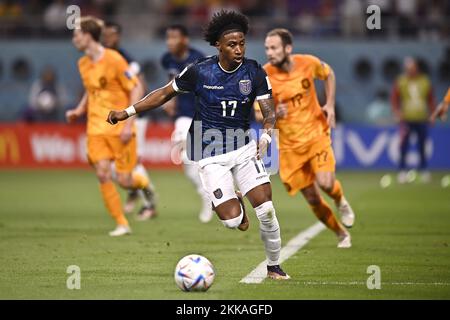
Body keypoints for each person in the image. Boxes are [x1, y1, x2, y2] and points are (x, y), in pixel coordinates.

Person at [108, 10, 290, 280]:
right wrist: (127, 112)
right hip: (209, 154)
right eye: (231, 44)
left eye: (242, 43)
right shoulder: (199, 71)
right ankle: (234, 204)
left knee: (265, 209)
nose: (238, 49)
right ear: (218, 45)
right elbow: (163, 93)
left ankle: (274, 266)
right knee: (232, 223)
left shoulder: (254, 71)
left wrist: (266, 135)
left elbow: (269, 111)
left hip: (243, 149)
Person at [261, 28, 353, 248]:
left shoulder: (308, 63)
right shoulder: (265, 75)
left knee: (326, 183)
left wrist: (329, 105)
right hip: (289, 148)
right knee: (312, 198)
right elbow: (258, 111)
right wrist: (272, 113)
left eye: (274, 48)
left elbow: (328, 74)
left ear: (287, 48)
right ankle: (341, 234)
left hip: (315, 136)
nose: (269, 52)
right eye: (267, 48)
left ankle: (340, 200)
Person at [66, 16, 154, 236]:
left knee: (125, 180)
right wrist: (79, 109)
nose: (74, 39)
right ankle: (122, 223)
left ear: (88, 36)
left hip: (119, 127)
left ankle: (144, 186)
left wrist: (128, 123)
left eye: (77, 34)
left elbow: (136, 88)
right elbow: (91, 90)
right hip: (95, 129)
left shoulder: (114, 59)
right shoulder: (83, 63)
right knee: (103, 174)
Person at [102, 21, 157, 220]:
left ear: (118, 37)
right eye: (105, 35)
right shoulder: (103, 60)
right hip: (115, 118)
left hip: (133, 117)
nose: (107, 39)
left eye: (111, 35)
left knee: (134, 162)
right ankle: (136, 191)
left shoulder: (127, 61)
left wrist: (130, 117)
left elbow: (140, 87)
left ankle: (150, 203)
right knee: (119, 167)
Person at [160, 24, 213, 223]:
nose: (170, 42)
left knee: (202, 161)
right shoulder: (167, 59)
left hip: (201, 115)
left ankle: (213, 195)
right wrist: (170, 101)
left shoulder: (199, 59)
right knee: (185, 157)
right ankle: (205, 195)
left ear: (185, 40)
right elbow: (171, 81)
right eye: (168, 37)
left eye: (174, 37)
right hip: (183, 115)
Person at [391, 57, 436, 183]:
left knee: (422, 145)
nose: (410, 70)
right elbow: (394, 98)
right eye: (408, 68)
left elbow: (430, 99)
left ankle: (424, 170)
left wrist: (432, 114)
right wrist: (397, 112)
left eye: (412, 68)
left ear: (416, 68)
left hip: (421, 118)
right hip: (406, 119)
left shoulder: (425, 81)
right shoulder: (401, 81)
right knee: (404, 145)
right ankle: (402, 171)